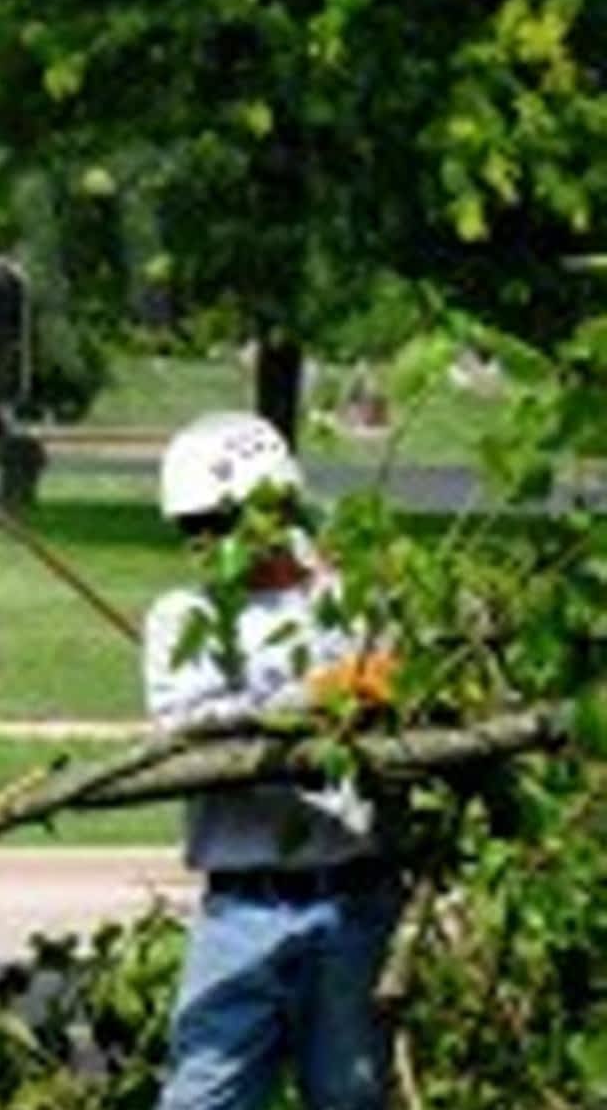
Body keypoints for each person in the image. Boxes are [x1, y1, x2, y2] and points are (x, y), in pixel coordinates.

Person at [145, 411, 402, 1110]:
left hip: (351, 898)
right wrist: (307, 698)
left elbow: (395, 696)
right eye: (193, 530)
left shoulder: (350, 605)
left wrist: (359, 687)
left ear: (275, 509)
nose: (207, 545)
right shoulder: (183, 616)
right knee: (204, 1090)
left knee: (346, 1092)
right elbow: (185, 724)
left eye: (220, 524)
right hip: (242, 905)